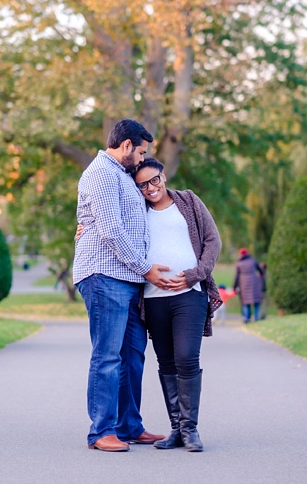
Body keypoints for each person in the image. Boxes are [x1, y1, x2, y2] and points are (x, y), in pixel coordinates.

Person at [80, 157, 223, 452]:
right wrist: (83, 228)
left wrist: (196, 274)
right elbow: (108, 224)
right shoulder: (137, 211)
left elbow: (213, 241)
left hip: (189, 294)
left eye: (154, 180)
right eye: (142, 185)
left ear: (164, 176)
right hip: (153, 299)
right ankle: (176, 430)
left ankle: (190, 429)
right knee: (166, 362)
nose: (150, 188)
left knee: (187, 358)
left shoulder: (189, 202)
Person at [71, 119, 170, 452]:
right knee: (108, 356)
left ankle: (129, 425)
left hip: (127, 279)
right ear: (126, 145)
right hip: (103, 275)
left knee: (132, 356)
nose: (142, 159)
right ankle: (101, 431)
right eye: (140, 152)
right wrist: (147, 269)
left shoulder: (121, 176)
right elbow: (112, 230)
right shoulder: (101, 173)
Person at [234, 247, 266, 323]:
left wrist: (234, 287)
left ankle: (247, 318)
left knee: (245, 302)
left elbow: (237, 277)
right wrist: (261, 274)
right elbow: (260, 270)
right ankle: (256, 318)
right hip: (255, 283)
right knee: (256, 301)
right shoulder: (253, 260)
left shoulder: (239, 263)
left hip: (244, 284)